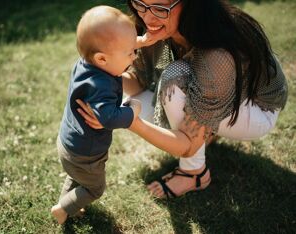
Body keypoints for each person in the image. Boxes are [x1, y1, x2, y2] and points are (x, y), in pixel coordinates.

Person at [76, 0, 288, 199]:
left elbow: (186, 146)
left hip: (254, 109)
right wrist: (98, 76)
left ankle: (194, 173)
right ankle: (207, 131)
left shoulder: (216, 53)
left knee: (175, 78)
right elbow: (138, 81)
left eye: (161, 7)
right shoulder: (156, 26)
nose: (148, 19)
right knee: (136, 98)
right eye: (140, 4)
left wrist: (129, 121)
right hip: (219, 97)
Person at [50, 6, 150, 224]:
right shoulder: (101, 85)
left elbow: (117, 50)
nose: (135, 55)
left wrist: (136, 42)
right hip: (87, 153)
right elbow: (110, 118)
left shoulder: (86, 64)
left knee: (76, 176)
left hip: (70, 144)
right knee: (95, 188)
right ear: (103, 59)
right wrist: (132, 110)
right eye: (130, 52)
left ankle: (66, 207)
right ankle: (63, 208)